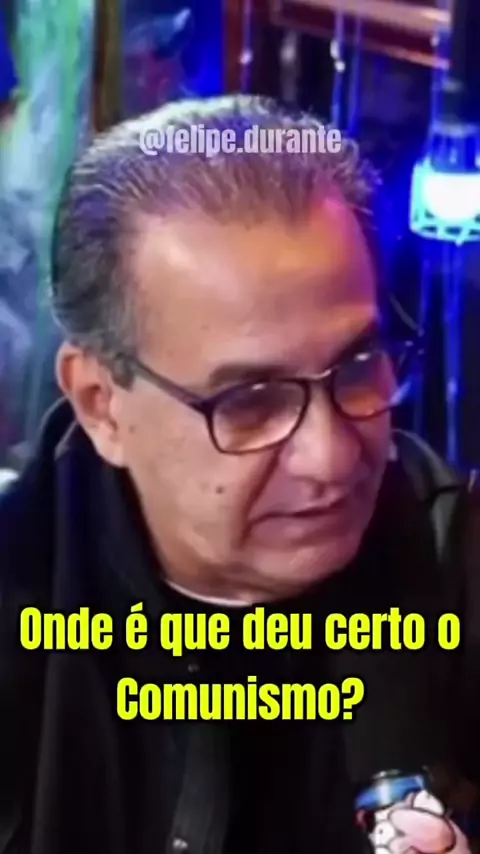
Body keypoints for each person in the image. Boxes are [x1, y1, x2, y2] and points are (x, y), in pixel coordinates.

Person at [1, 94, 480, 854]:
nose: (330, 457)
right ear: (101, 404)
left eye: (359, 366)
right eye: (251, 401)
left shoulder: (458, 562)